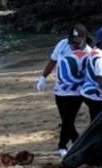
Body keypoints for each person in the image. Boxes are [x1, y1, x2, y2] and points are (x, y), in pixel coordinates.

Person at [37, 24, 92, 156]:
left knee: (68, 120)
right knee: (66, 119)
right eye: (72, 42)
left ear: (84, 39)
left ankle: (62, 146)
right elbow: (53, 61)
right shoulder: (62, 45)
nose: (74, 45)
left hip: (77, 91)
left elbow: (92, 72)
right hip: (60, 90)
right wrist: (43, 77)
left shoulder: (88, 52)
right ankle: (76, 140)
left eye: (77, 43)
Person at [79, 27, 102, 120]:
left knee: (95, 118)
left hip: (88, 92)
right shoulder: (101, 58)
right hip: (96, 95)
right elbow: (100, 78)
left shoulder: (94, 51)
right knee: (99, 120)